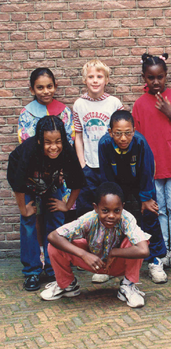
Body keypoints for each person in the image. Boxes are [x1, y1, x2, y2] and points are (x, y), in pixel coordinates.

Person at [40, 182, 150, 308]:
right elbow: (53, 236)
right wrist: (84, 254)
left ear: (123, 207)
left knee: (137, 242)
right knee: (55, 245)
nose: (111, 216)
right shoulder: (89, 219)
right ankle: (67, 285)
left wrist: (114, 252)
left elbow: (143, 250)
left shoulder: (127, 219)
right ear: (96, 208)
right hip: (93, 261)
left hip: (116, 264)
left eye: (117, 210)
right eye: (105, 210)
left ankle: (128, 286)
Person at [7, 116, 85, 291]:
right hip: (26, 184)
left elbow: (78, 181)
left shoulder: (67, 150)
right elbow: (18, 183)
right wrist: (23, 209)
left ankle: (52, 267)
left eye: (58, 141)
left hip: (49, 181)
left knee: (56, 218)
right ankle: (32, 271)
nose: (54, 147)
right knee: (28, 223)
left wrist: (66, 205)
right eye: (48, 142)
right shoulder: (29, 150)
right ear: (40, 141)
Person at [133, 53, 171, 273]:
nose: (156, 82)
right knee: (158, 210)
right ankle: (162, 248)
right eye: (151, 77)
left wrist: (169, 112)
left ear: (166, 76)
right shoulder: (139, 104)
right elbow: (136, 140)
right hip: (152, 167)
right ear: (144, 78)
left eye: (160, 77)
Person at [98, 110, 168, 284]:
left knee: (150, 213)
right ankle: (107, 261)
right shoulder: (104, 144)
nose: (123, 138)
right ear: (110, 132)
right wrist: (111, 199)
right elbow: (106, 174)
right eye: (118, 134)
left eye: (128, 133)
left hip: (139, 183)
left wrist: (146, 198)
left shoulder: (140, 143)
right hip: (116, 184)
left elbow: (147, 171)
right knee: (110, 217)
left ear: (134, 131)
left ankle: (155, 259)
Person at [18, 67, 76, 264]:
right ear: (32, 89)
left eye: (49, 86)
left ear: (55, 87)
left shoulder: (65, 112)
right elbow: (25, 141)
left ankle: (54, 264)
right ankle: (33, 265)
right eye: (40, 87)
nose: (45, 91)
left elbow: (68, 142)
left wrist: (60, 171)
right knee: (30, 220)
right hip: (31, 175)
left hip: (56, 177)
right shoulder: (26, 114)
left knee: (55, 217)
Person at [73, 59, 124, 217]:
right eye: (91, 77)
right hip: (89, 166)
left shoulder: (113, 103)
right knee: (87, 207)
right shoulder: (79, 105)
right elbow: (78, 136)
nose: (95, 80)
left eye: (99, 77)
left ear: (106, 80)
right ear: (84, 80)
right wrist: (82, 163)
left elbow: (121, 133)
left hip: (109, 165)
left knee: (111, 205)